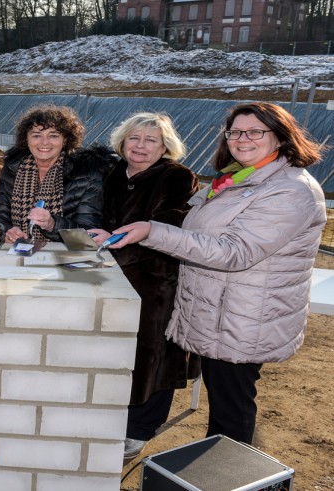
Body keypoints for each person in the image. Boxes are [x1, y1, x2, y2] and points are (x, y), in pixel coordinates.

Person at [110, 102, 327, 446]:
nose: (243, 139)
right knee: (224, 406)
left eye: (256, 132)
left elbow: (235, 252)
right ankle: (219, 467)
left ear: (282, 137)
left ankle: (233, 474)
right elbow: (198, 228)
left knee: (231, 410)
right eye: (236, 132)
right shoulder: (236, 179)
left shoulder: (290, 190)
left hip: (246, 316)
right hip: (220, 310)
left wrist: (152, 231)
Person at [88, 113, 200, 459]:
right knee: (114, 349)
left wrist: (115, 238)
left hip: (155, 278)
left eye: (151, 140)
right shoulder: (112, 173)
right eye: (134, 138)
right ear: (122, 141)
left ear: (165, 146)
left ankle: (141, 428)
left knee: (152, 353)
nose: (140, 146)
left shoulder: (176, 177)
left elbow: (169, 222)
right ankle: (113, 415)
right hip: (108, 274)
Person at [0, 104, 115, 243]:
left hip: (66, 256)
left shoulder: (87, 172)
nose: (44, 142)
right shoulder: (13, 169)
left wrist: (53, 224)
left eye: (53, 135)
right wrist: (7, 230)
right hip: (18, 251)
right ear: (26, 139)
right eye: (37, 135)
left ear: (66, 139)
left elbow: (89, 233)